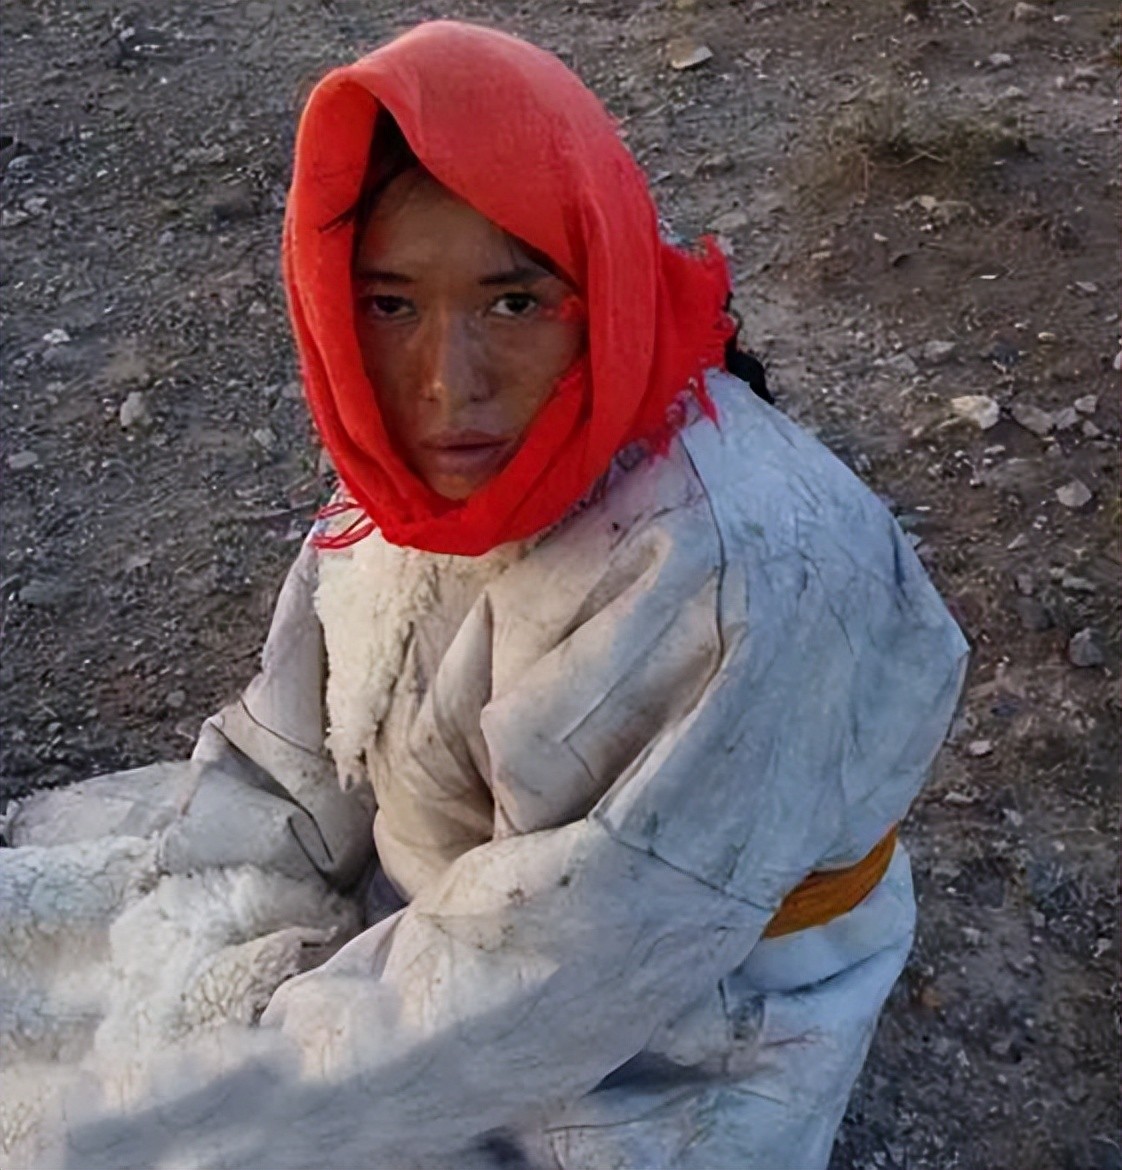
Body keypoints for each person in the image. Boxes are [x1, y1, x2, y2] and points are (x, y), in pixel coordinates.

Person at [0, 20, 968, 1170]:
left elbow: (541, 982)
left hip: (667, 1033)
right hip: (429, 935)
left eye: (515, 303)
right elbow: (290, 750)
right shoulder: (425, 481)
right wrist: (218, 929)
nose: (446, 384)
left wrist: (218, 1083)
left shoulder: (733, 577)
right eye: (390, 305)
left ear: (599, 281)